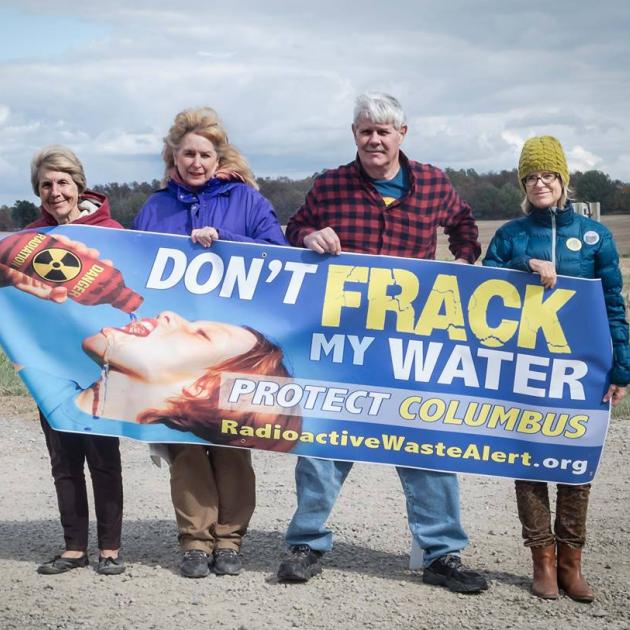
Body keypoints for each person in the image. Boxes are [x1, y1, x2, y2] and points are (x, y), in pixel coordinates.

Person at [278, 92, 487, 593]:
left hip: (407, 340)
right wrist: (308, 236)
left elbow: (464, 225)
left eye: (384, 130)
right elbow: (294, 229)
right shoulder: (330, 185)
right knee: (324, 440)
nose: (375, 138)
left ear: (402, 135)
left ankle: (441, 554)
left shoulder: (433, 182)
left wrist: (463, 262)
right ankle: (306, 543)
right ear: (355, 135)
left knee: (426, 443)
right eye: (366, 130)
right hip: (341, 339)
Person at [132, 107, 287, 578]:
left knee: (230, 442)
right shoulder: (155, 206)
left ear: (219, 158)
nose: (195, 162)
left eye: (204, 154)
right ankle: (195, 541)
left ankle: (231, 539)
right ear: (173, 157)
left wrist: (225, 240)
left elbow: (277, 251)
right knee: (184, 443)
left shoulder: (247, 200)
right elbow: (137, 263)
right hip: (175, 347)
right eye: (187, 154)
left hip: (231, 345)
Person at [483, 135, 629, 602]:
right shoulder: (511, 233)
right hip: (524, 364)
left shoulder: (595, 237)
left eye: (548, 175)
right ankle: (541, 560)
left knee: (574, 463)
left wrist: (621, 367)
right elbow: (484, 283)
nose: (540, 183)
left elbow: (612, 304)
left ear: (563, 179)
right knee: (528, 461)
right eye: (531, 176)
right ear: (523, 184)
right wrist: (525, 264)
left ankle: (571, 563)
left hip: (579, 369)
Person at [24, 145, 125, 576]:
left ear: (78, 185)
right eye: (46, 185)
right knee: (63, 459)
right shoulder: (27, 241)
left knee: (102, 456)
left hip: (98, 363)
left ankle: (110, 548)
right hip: (48, 365)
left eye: (62, 182)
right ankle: (72, 546)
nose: (55, 191)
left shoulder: (113, 232)